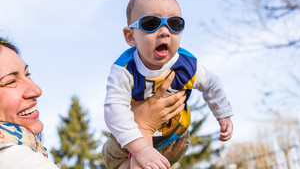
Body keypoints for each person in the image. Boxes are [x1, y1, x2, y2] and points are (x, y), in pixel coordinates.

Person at [0, 36, 186, 169]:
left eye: (27, 74)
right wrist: (143, 129)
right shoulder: (10, 156)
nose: (36, 90)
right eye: (10, 82)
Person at [103, 0, 234, 169]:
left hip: (174, 139)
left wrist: (223, 114)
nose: (165, 32)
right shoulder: (124, 69)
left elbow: (212, 84)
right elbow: (114, 109)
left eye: (174, 23)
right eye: (151, 24)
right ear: (131, 36)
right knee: (134, 160)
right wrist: (140, 149)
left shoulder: (187, 65)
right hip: (129, 138)